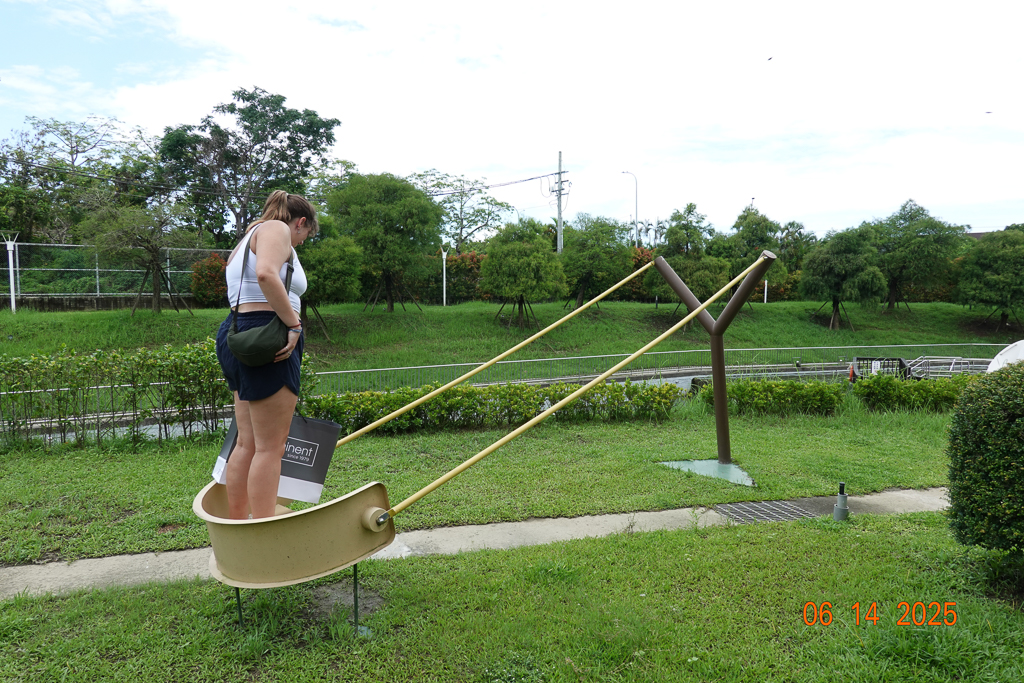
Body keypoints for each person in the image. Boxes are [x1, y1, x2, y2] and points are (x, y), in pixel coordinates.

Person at [215, 191, 316, 519]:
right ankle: (262, 529)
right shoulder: (277, 229)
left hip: (238, 332)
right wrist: (294, 325)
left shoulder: (247, 239)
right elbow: (266, 274)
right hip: (266, 334)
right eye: (306, 234)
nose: (301, 242)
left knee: (247, 443)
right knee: (271, 448)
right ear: (300, 222)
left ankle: (238, 524)